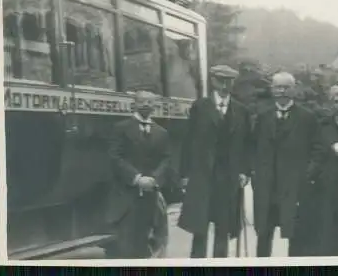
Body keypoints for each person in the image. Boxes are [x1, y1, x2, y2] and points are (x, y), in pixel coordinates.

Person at [177, 64, 252, 258]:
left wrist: (244, 171)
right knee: (199, 227)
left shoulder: (241, 110)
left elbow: (246, 145)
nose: (224, 85)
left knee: (224, 227)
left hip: (228, 177)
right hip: (203, 174)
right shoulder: (200, 107)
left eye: (229, 81)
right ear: (213, 81)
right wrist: (185, 174)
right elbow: (187, 141)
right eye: (220, 80)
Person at [252, 71, 321, 257]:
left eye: (286, 87)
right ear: (272, 90)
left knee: (296, 235)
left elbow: (317, 150)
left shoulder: (308, 118)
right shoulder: (262, 116)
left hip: (295, 186)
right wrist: (255, 173)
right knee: (264, 234)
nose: (282, 91)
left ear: (294, 89)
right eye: (278, 87)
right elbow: (253, 146)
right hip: (267, 186)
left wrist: (307, 175)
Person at [293, 82, 338, 256]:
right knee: (325, 232)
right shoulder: (322, 126)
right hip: (326, 187)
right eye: (336, 102)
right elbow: (316, 153)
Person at [106, 90, 171, 258]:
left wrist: (155, 179)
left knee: (148, 241)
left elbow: (166, 159)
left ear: (155, 106)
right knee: (126, 243)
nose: (146, 105)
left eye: (150, 102)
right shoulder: (120, 128)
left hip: (151, 195)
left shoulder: (161, 133)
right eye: (142, 101)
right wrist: (136, 178)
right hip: (126, 195)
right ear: (134, 104)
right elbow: (115, 157)